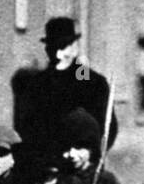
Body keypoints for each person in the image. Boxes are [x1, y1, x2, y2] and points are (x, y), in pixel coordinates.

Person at [13, 17, 118, 157]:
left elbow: (107, 127)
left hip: (82, 164)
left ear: (75, 47)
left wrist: (90, 153)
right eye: (53, 47)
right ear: (46, 49)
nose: (57, 54)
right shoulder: (36, 85)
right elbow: (25, 128)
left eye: (63, 46)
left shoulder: (92, 82)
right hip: (47, 165)